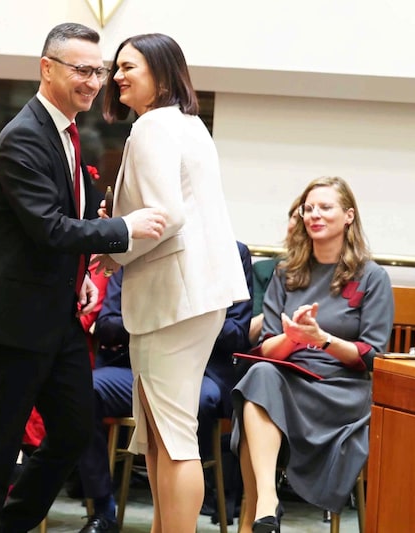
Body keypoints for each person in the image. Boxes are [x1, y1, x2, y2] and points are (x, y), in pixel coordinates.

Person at [0, 23, 168, 532]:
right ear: (46, 69)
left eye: (98, 71)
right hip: (15, 318)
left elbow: (60, 222)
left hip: (61, 313)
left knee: (74, 432)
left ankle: (9, 524)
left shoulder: (71, 133)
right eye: (81, 70)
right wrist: (122, 229)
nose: (94, 81)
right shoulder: (24, 134)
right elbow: (48, 228)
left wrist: (87, 269)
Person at [92, 33, 249, 533]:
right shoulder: (189, 125)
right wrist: (120, 220)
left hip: (172, 298)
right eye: (115, 66)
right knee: (160, 434)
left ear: (161, 74)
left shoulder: (152, 128)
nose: (116, 76)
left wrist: (112, 246)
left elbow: (167, 216)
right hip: (194, 295)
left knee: (173, 436)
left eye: (128, 67)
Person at [230, 176, 393, 533]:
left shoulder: (372, 277)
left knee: (258, 394)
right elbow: (269, 347)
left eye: (325, 207)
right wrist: (292, 338)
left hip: (342, 389)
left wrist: (321, 339)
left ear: (348, 216)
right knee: (259, 378)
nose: (314, 214)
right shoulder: (287, 272)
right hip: (289, 376)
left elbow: (374, 358)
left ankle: (254, 516)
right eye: (309, 208)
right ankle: (267, 504)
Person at [78, 241, 253, 533]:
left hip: (201, 371)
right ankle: (103, 507)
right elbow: (108, 324)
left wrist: (186, 315)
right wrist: (156, 317)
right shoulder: (140, 247)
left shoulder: (230, 251)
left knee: (196, 403)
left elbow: (237, 334)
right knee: (84, 389)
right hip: (134, 365)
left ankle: (187, 514)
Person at [248, 197, 302, 346]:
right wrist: (281, 309)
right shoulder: (265, 271)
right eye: (295, 217)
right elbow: (247, 333)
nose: (298, 226)